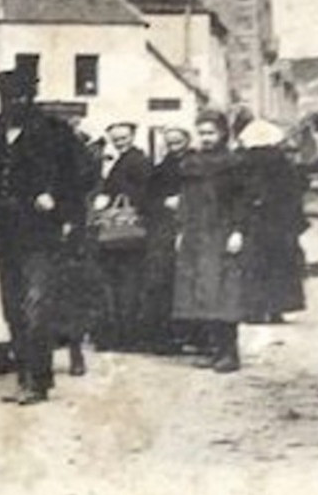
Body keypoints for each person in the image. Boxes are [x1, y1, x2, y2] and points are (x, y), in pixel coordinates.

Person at [0, 69, 93, 405]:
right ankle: (25, 375)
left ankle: (39, 380)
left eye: (20, 97)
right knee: (13, 307)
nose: (13, 103)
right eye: (7, 97)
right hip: (3, 231)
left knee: (37, 304)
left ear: (31, 98)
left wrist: (58, 198)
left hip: (41, 232)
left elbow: (86, 171)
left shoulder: (54, 131)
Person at [172, 111, 252, 373]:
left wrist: (238, 231)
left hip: (221, 233)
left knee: (224, 293)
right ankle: (213, 349)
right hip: (196, 234)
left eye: (210, 133)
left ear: (222, 134)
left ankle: (230, 353)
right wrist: (181, 229)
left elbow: (242, 201)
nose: (206, 138)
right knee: (201, 293)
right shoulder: (192, 162)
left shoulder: (234, 163)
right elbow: (187, 199)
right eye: (202, 133)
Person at [236, 120, 308, 324]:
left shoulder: (243, 161)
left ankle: (255, 309)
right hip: (280, 224)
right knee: (280, 264)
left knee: (253, 264)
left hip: (254, 222)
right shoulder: (283, 163)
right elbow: (295, 194)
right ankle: (277, 307)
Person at [91, 122, 153, 351]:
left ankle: (126, 336)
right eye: (116, 139)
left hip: (128, 231)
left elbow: (143, 193)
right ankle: (121, 335)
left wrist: (113, 194)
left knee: (126, 284)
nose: (120, 142)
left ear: (133, 136)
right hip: (122, 233)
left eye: (124, 138)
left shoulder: (137, 160)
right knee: (121, 283)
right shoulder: (121, 159)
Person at [141, 127, 192, 351]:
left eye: (178, 143)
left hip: (192, 228)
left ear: (187, 141)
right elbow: (146, 200)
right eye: (170, 144)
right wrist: (163, 202)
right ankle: (165, 336)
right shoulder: (160, 169)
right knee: (162, 282)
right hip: (163, 230)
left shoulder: (196, 164)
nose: (174, 148)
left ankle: (194, 335)